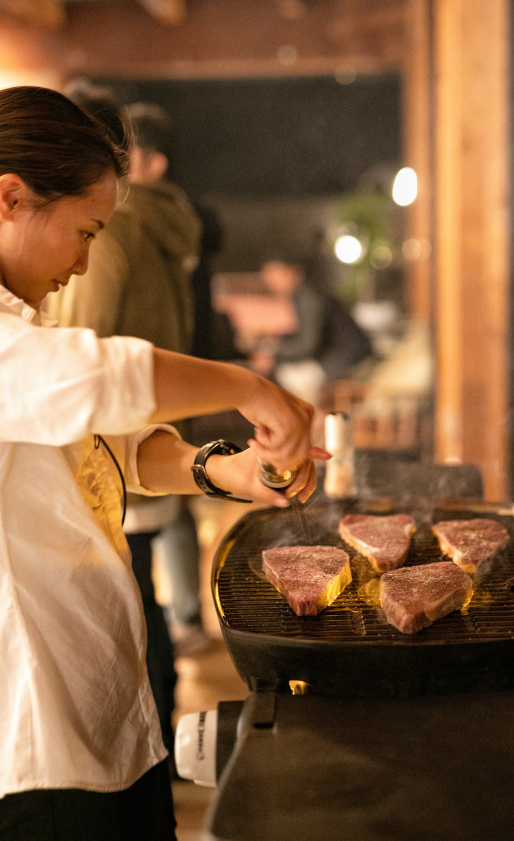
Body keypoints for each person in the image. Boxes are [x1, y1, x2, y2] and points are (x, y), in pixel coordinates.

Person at [0, 85, 325, 839]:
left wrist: (225, 470)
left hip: (106, 714)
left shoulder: (25, 323)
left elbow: (110, 443)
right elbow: (93, 379)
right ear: (10, 197)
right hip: (33, 751)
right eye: (83, 232)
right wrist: (252, 387)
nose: (83, 264)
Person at [48, 89, 206, 765]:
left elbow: (81, 344)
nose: (80, 256)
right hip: (147, 421)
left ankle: (152, 743)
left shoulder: (117, 225)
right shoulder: (169, 217)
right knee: (145, 596)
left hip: (113, 439)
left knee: (131, 601)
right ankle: (160, 739)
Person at [253, 257, 374, 405]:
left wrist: (275, 356)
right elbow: (308, 335)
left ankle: (312, 420)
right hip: (343, 355)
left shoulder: (309, 297)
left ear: (290, 270)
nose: (270, 283)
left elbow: (308, 345)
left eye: (272, 276)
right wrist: (280, 340)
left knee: (289, 375)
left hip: (349, 360)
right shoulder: (304, 293)